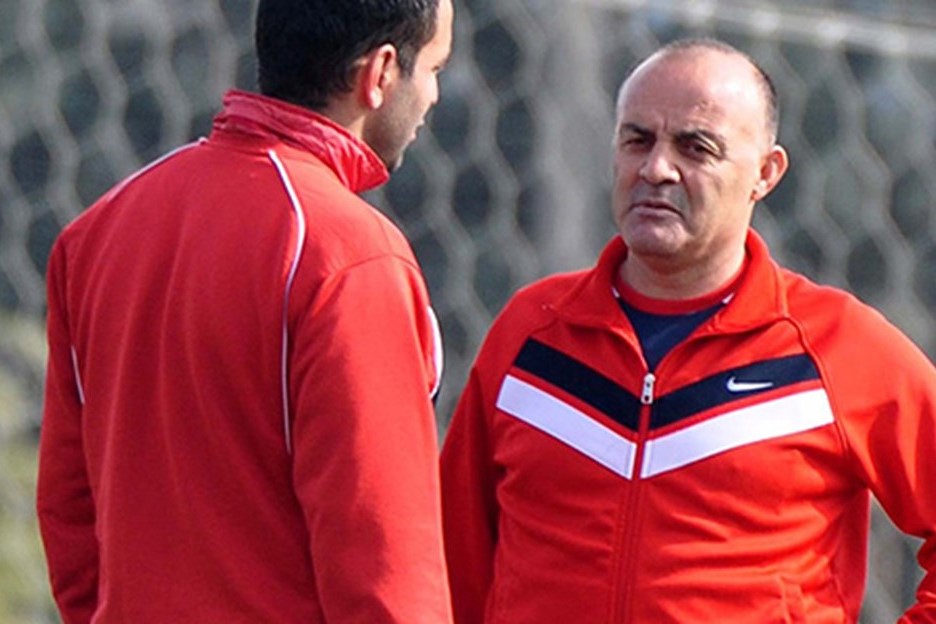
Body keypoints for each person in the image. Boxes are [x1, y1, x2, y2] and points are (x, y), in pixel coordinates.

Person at [440, 38, 936, 623]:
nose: (656, 169)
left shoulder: (837, 346)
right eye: (637, 140)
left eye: (696, 147)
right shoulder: (533, 330)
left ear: (766, 173)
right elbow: (451, 552)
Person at [37, 0, 455, 622]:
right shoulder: (349, 256)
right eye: (435, 68)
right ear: (381, 73)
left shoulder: (99, 230)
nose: (435, 95)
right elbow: (385, 572)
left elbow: (70, 521)